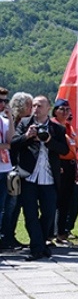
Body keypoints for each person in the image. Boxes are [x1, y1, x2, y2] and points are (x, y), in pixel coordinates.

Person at [11, 96, 69, 261]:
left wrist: (49, 140)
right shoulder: (24, 123)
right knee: (30, 214)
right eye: (34, 105)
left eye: (40, 105)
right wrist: (26, 137)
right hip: (29, 177)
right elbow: (14, 143)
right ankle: (37, 248)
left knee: (49, 213)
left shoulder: (57, 128)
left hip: (49, 178)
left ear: (48, 108)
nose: (36, 108)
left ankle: (40, 244)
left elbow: (64, 150)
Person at [1, 92, 31, 251]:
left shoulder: (9, 120)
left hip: (11, 168)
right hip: (8, 167)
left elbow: (10, 142)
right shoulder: (20, 123)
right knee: (5, 205)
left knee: (12, 204)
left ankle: (8, 235)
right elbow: (11, 143)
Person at [51, 99, 78, 245]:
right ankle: (51, 234)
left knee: (66, 202)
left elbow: (74, 147)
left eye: (68, 110)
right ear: (55, 111)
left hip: (70, 165)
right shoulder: (53, 126)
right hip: (59, 164)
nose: (66, 112)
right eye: (63, 109)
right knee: (55, 201)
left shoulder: (69, 128)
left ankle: (61, 233)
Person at [0, 87, 14, 250]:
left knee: (2, 207)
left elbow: (12, 141)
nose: (3, 104)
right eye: (0, 101)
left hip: (5, 168)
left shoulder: (4, 121)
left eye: (5, 101)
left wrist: (10, 118)